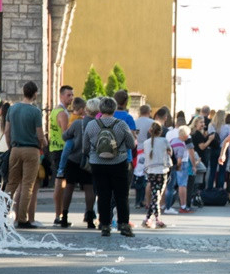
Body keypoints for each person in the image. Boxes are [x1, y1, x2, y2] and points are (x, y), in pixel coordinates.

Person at [82, 96, 136, 237]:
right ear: (114, 108)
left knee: (103, 194)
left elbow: (85, 147)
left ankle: (105, 225)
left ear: (100, 109)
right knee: (121, 195)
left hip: (98, 163)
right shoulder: (121, 124)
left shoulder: (91, 125)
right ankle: (123, 224)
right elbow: (131, 144)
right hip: (118, 163)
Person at [3, 81, 46, 229]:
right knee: (27, 185)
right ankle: (22, 218)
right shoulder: (35, 112)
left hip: (15, 149)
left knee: (11, 183)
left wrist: (11, 147)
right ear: (35, 94)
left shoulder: (13, 109)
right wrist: (43, 144)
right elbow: (40, 135)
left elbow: (7, 131)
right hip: (31, 149)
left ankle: (2, 214)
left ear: (23, 92)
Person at [60, 97, 97, 230]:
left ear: (86, 109)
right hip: (89, 160)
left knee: (69, 187)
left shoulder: (77, 124)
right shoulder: (98, 125)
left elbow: (65, 136)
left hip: (74, 159)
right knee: (89, 188)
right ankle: (90, 218)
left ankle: (64, 216)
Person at [49, 85, 74, 227]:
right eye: (68, 95)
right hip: (60, 149)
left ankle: (58, 214)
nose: (71, 98)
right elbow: (66, 133)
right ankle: (58, 214)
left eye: (72, 95)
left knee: (60, 182)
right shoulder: (62, 113)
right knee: (60, 183)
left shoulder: (55, 111)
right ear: (61, 96)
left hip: (55, 148)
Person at [142, 121, 171, 229]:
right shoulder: (164, 141)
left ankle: (148, 218)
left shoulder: (146, 143)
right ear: (161, 131)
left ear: (150, 131)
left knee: (155, 194)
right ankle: (157, 219)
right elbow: (170, 152)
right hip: (162, 170)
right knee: (157, 195)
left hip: (150, 171)